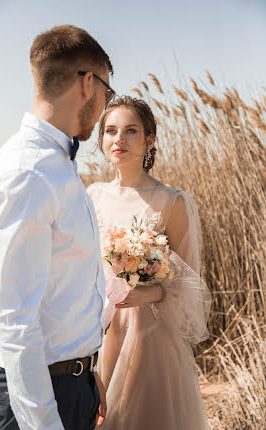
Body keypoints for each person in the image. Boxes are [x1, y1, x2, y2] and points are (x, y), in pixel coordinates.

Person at [0, 25, 116, 430]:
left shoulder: (57, 165)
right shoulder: (28, 173)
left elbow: (64, 293)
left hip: (70, 385)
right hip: (37, 399)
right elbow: (17, 325)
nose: (107, 103)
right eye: (108, 89)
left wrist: (87, 373)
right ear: (88, 83)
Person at [87, 96, 212, 430]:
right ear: (102, 140)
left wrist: (149, 294)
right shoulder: (93, 196)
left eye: (131, 131)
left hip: (150, 337)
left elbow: (190, 284)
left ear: (149, 139)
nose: (120, 140)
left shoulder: (171, 202)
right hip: (101, 333)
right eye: (111, 131)